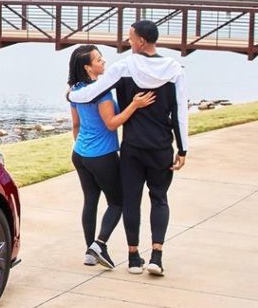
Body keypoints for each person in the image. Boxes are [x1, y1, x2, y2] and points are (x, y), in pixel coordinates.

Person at [68, 20, 188, 276]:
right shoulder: (175, 70)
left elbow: (91, 93)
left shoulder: (124, 68)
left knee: (130, 201)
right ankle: (156, 256)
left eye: (130, 37)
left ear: (141, 41)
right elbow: (180, 114)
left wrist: (70, 96)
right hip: (160, 147)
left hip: (132, 148)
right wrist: (183, 148)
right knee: (159, 198)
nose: (127, 41)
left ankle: (133, 258)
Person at [67, 45, 155, 269]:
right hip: (102, 156)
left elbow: (76, 125)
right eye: (98, 59)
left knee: (91, 201)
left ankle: (89, 252)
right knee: (118, 202)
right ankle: (99, 244)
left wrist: (82, 147)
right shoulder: (101, 93)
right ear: (88, 67)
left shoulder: (76, 91)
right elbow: (111, 123)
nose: (103, 61)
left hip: (80, 154)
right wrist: (134, 104)